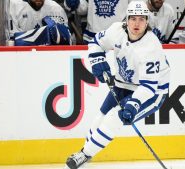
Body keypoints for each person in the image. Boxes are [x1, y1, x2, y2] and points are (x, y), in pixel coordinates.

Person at [63, 1, 170, 169]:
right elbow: (95, 42)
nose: (136, 23)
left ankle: (85, 155)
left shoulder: (151, 47)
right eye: (133, 18)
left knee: (115, 118)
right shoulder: (116, 30)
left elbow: (148, 87)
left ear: (147, 21)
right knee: (99, 119)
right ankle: (85, 153)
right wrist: (97, 59)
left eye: (141, 19)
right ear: (126, 19)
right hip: (123, 84)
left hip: (153, 92)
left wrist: (134, 104)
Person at [63, 0, 139, 44]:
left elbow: (136, 7)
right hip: (92, 36)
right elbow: (85, 9)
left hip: (120, 37)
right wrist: (77, 4)